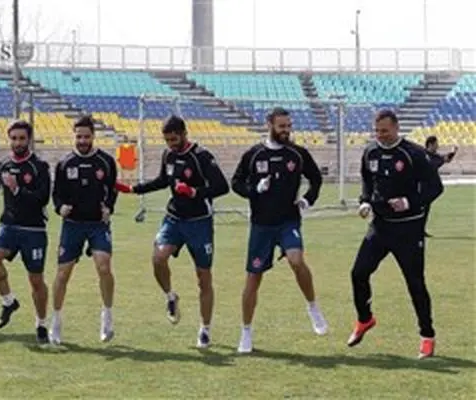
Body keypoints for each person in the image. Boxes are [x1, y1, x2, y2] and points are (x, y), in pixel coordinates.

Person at [115, 115, 229, 348]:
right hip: (174, 219)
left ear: (184, 133)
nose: (170, 144)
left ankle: (205, 328)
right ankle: (170, 296)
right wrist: (133, 189)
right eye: (167, 140)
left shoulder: (201, 157)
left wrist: (194, 192)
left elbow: (222, 187)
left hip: (199, 222)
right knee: (158, 258)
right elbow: (162, 180)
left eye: (174, 139)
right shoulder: (168, 155)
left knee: (203, 278)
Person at [231, 107, 328, 354]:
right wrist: (255, 189)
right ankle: (246, 332)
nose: (286, 131)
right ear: (270, 125)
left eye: (288, 126)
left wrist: (307, 200)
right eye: (281, 126)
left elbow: (316, 179)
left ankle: (313, 306)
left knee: (296, 260)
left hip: (288, 221)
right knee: (253, 278)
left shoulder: (297, 154)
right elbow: (236, 183)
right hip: (261, 225)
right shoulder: (254, 155)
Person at [349, 110, 443, 359]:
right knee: (358, 273)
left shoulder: (414, 154)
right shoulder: (371, 152)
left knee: (415, 283)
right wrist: (365, 201)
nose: (380, 135)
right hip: (380, 226)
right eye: (377, 131)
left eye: (385, 131)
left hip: (408, 229)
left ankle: (427, 335)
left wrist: (409, 202)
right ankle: (365, 319)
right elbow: (367, 180)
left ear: (396, 128)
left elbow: (435, 187)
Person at [50, 116, 118, 345]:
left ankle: (107, 315)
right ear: (74, 136)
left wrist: (109, 207)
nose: (82, 141)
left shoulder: (106, 162)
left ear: (93, 136)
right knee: (63, 274)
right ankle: (56, 320)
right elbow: (56, 195)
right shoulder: (65, 163)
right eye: (79, 136)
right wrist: (60, 208)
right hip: (73, 225)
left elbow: (113, 189)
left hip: (98, 224)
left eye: (86, 136)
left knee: (104, 266)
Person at [0, 120, 52, 344]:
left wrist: (17, 189)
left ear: (29, 139)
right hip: (9, 226)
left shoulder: (39, 167)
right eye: (14, 138)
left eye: (22, 138)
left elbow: (43, 198)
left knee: (36, 280)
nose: (18, 142)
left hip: (34, 229)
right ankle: (9, 302)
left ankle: (41, 324)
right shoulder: (2, 165)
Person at [423, 135, 458, 237]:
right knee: (423, 208)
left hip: (432, 188)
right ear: (430, 144)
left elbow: (445, 159)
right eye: (436, 144)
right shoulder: (423, 155)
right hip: (424, 186)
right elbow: (436, 163)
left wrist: (453, 152)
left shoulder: (434, 155)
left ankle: (421, 229)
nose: (437, 146)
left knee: (426, 208)